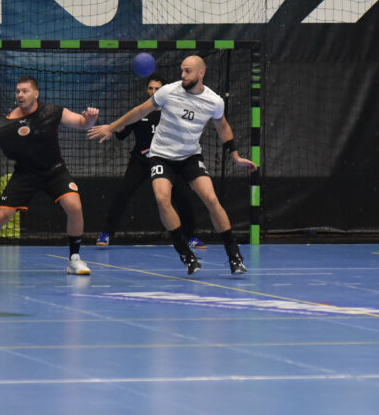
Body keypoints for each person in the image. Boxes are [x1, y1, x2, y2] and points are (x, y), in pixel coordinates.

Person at [87, 55, 256, 275]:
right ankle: (186, 254)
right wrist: (111, 126)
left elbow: (222, 126)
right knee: (162, 199)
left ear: (201, 73)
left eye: (188, 71)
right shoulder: (168, 92)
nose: (183, 75)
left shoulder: (214, 101)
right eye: (182, 70)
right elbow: (140, 110)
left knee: (211, 199)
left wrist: (235, 155)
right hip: (161, 156)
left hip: (190, 157)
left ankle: (234, 256)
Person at [0, 76, 97, 277]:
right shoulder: (8, 122)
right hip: (25, 175)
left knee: (74, 206)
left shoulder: (52, 111)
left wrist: (90, 119)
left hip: (55, 171)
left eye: (25, 91)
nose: (20, 95)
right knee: (0, 216)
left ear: (36, 94)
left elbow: (82, 123)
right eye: (18, 91)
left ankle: (74, 259)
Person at [94, 75, 202, 250]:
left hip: (166, 162)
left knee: (183, 197)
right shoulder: (140, 111)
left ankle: (191, 237)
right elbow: (122, 136)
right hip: (141, 161)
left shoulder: (173, 111)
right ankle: (106, 233)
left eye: (157, 89)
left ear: (164, 90)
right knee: (123, 194)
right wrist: (118, 128)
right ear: (147, 90)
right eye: (151, 88)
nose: (153, 92)